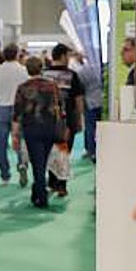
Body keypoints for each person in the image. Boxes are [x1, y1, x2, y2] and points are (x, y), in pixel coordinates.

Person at [12, 56, 67, 209]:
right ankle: (37, 191)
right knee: (42, 161)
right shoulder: (53, 86)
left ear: (27, 69)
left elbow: (17, 113)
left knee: (37, 163)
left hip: (32, 129)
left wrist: (15, 134)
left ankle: (41, 197)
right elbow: (61, 107)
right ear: (41, 67)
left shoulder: (22, 88)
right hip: (50, 128)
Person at [43, 44, 86, 198]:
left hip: (47, 121)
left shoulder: (44, 74)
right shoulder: (72, 75)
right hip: (67, 120)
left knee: (49, 151)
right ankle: (61, 185)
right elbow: (78, 98)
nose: (69, 59)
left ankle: (52, 181)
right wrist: (80, 118)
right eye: (68, 56)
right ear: (62, 56)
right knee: (64, 151)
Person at [0, 44, 30, 186]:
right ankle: (22, 164)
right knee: (19, 140)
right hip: (19, 109)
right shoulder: (23, 71)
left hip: (1, 108)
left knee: (1, 144)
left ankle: (5, 175)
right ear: (17, 54)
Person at [71, 48, 104, 162]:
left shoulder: (81, 72)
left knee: (90, 127)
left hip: (89, 102)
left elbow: (80, 89)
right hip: (100, 100)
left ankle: (91, 151)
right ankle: (97, 149)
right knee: (99, 127)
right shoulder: (99, 69)